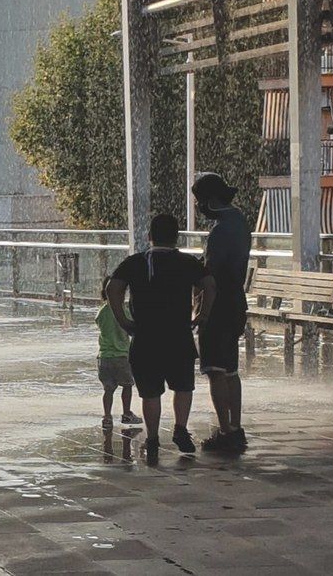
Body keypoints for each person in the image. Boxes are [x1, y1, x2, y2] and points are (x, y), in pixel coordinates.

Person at [107, 213, 216, 463]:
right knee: (183, 386)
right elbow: (210, 285)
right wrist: (202, 315)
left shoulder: (136, 262)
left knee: (150, 392)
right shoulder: (186, 262)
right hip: (179, 334)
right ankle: (180, 429)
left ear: (149, 236)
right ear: (176, 237)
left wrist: (123, 320)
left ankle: (153, 438)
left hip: (145, 336)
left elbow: (113, 288)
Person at [193, 172, 252, 453]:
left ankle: (225, 431)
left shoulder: (219, 230)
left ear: (211, 200)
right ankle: (236, 427)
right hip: (237, 302)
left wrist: (202, 313)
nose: (199, 207)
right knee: (230, 370)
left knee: (215, 370)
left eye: (200, 201)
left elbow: (210, 275)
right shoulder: (239, 221)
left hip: (218, 305)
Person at [96, 275, 142, 429]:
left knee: (108, 389)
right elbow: (131, 326)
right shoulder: (124, 311)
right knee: (127, 385)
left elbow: (99, 323)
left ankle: (107, 417)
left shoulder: (102, 312)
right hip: (122, 355)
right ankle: (126, 413)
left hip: (104, 357)